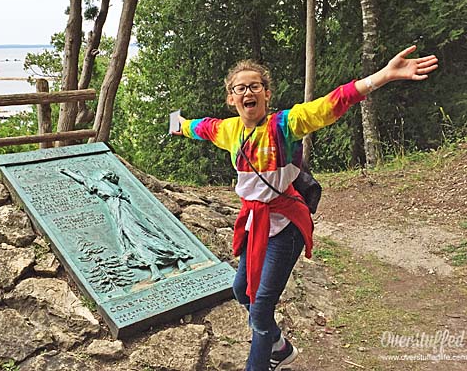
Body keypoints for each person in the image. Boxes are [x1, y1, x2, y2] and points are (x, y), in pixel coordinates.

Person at [172, 45, 438, 370]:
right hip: (255, 226)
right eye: (239, 88)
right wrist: (179, 124)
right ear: (231, 98)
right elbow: (199, 127)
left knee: (259, 309)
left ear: (266, 94)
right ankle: (280, 347)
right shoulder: (229, 131)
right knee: (241, 291)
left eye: (254, 86)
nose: (247, 92)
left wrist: (382, 76)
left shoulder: (285, 125)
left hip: (286, 228)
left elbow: (331, 104)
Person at [60, 168, 193, 281]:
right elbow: (83, 179)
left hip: (123, 211)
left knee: (138, 236)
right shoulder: (106, 185)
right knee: (138, 236)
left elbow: (84, 180)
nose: (110, 177)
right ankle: (165, 266)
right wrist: (69, 172)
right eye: (109, 175)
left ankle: (170, 264)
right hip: (119, 210)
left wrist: (69, 172)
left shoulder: (106, 186)